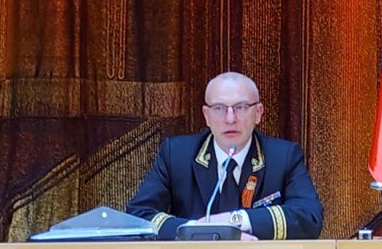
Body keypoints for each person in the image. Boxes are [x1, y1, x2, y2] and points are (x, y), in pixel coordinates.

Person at [127, 72, 324, 240]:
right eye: (219, 108)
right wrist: (197, 232)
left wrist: (235, 221)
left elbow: (310, 217)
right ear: (206, 115)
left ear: (258, 113)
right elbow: (138, 215)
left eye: (241, 107)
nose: (230, 119)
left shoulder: (283, 157)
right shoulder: (176, 154)